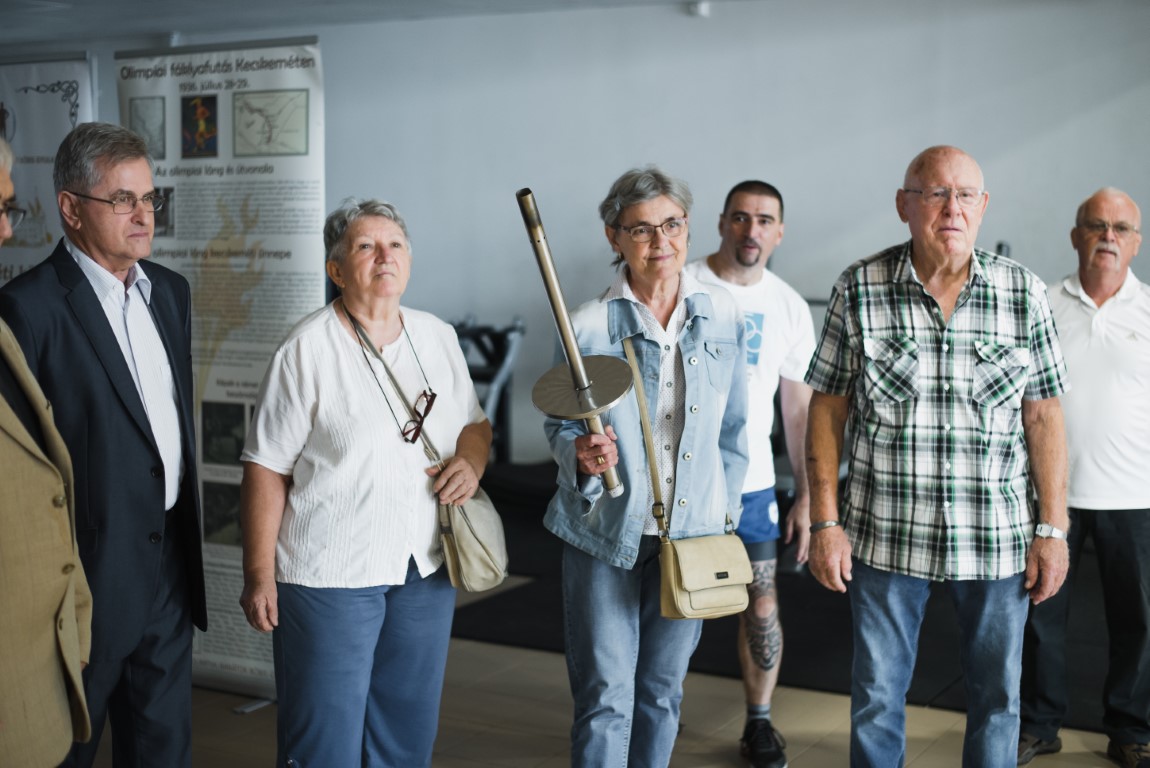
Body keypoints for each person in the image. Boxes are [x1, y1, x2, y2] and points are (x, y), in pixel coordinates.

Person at [804, 145, 1071, 767]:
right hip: (885, 534)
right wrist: (824, 522)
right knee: (877, 696)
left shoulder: (1022, 292)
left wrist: (1053, 529)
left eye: (966, 195)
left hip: (995, 536)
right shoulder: (859, 287)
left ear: (983, 206)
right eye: (935, 193)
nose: (952, 208)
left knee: (998, 699)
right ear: (905, 205)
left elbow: (1044, 417)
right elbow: (827, 410)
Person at [239, 197, 492, 767]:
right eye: (365, 246)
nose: (385, 256)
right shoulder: (305, 349)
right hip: (330, 574)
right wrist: (259, 574)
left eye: (395, 244)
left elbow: (475, 424)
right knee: (323, 739)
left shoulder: (437, 336)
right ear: (336, 269)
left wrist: (472, 463)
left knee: (406, 732)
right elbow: (265, 466)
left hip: (424, 566)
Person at [0, 123, 207, 767]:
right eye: (122, 200)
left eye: (149, 198)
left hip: (168, 570)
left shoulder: (169, 292)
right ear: (70, 208)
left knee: (163, 751)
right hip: (80, 584)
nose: (143, 215)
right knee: (66, 752)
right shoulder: (25, 310)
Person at [543, 166, 749, 767]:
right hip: (605, 532)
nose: (661, 241)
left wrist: (723, 511)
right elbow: (560, 426)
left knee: (662, 692)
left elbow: (735, 429)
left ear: (687, 227)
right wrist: (580, 456)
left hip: (692, 536)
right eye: (641, 229)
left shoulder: (723, 313)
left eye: (672, 225)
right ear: (614, 237)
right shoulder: (585, 324)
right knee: (606, 698)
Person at [684, 179, 814, 768]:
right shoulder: (683, 283)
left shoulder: (788, 306)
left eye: (764, 220)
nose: (751, 230)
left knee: (761, 606)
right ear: (722, 223)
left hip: (753, 484)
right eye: (741, 217)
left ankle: (758, 722)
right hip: (680, 483)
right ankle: (649, 709)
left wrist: (807, 495)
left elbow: (797, 411)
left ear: (779, 232)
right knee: (664, 603)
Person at [1018, 188, 1150, 768]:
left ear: (1136, 242)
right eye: (1096, 225)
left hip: (1137, 495)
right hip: (1054, 497)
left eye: (1121, 228)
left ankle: (1131, 729)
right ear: (1076, 236)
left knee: (1138, 622)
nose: (1108, 237)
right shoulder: (1044, 304)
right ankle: (1039, 724)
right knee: (1040, 616)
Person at [0, 136, 93, 766]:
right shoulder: (27, 305)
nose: (7, 231)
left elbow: (45, 483)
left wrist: (75, 610)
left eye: (8, 208)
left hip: (38, 665)